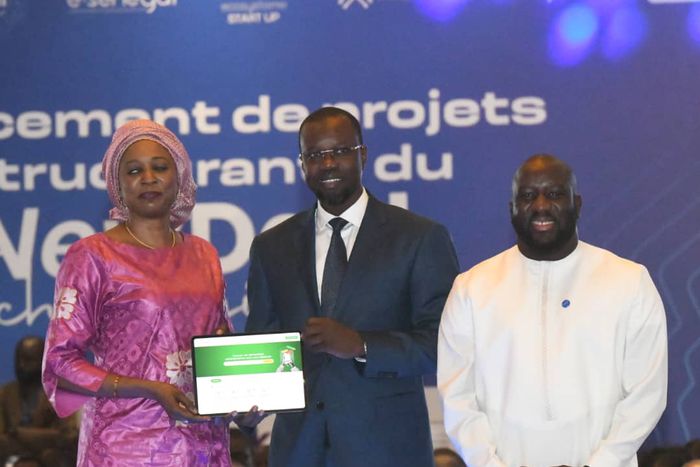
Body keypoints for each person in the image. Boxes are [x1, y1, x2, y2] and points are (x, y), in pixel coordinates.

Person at [245, 107, 460, 467]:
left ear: (363, 155)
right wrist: (243, 392)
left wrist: (362, 345)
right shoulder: (271, 247)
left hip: (388, 451)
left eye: (340, 151)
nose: (328, 163)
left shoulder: (419, 238)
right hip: (300, 452)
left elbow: (444, 344)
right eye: (315, 155)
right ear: (302, 164)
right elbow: (264, 343)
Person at [42, 119, 259, 466]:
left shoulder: (204, 254)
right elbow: (60, 362)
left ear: (180, 175)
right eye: (134, 170)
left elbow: (219, 345)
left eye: (159, 167)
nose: (148, 178)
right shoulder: (93, 256)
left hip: (204, 447)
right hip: (126, 447)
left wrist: (242, 404)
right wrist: (149, 389)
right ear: (117, 183)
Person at [437, 154, 668, 467]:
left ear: (577, 204)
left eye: (555, 194)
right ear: (512, 208)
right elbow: (458, 398)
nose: (541, 206)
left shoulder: (628, 281)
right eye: (528, 196)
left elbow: (646, 393)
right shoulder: (471, 289)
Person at [0, 336, 78, 466]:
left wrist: (20, 434)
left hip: (48, 459)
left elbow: (68, 437)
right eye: (18, 360)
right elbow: (2, 440)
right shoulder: (5, 393)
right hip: (12, 459)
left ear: (43, 362)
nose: (21, 365)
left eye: (28, 360)